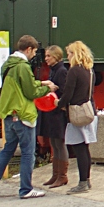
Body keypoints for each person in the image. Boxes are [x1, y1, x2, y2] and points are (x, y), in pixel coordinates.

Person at [0, 35, 56, 199]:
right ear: (28, 49)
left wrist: (40, 83)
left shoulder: (8, 65)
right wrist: (48, 89)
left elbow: (21, 85)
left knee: (7, 149)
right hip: (22, 113)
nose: (34, 55)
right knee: (28, 153)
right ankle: (26, 189)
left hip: (8, 113)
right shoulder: (22, 66)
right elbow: (30, 92)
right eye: (34, 51)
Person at [56, 40, 97, 195]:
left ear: (75, 54)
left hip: (76, 112)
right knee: (85, 148)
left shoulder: (74, 71)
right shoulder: (89, 70)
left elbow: (68, 92)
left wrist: (59, 103)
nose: (68, 56)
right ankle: (87, 179)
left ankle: (82, 183)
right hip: (88, 110)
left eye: (69, 53)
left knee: (79, 148)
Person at [39, 45, 69, 189]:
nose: (46, 59)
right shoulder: (54, 71)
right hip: (52, 112)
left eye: (48, 56)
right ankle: (55, 174)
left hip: (58, 113)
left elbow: (64, 92)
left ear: (56, 57)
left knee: (59, 143)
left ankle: (62, 175)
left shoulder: (61, 72)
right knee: (54, 143)